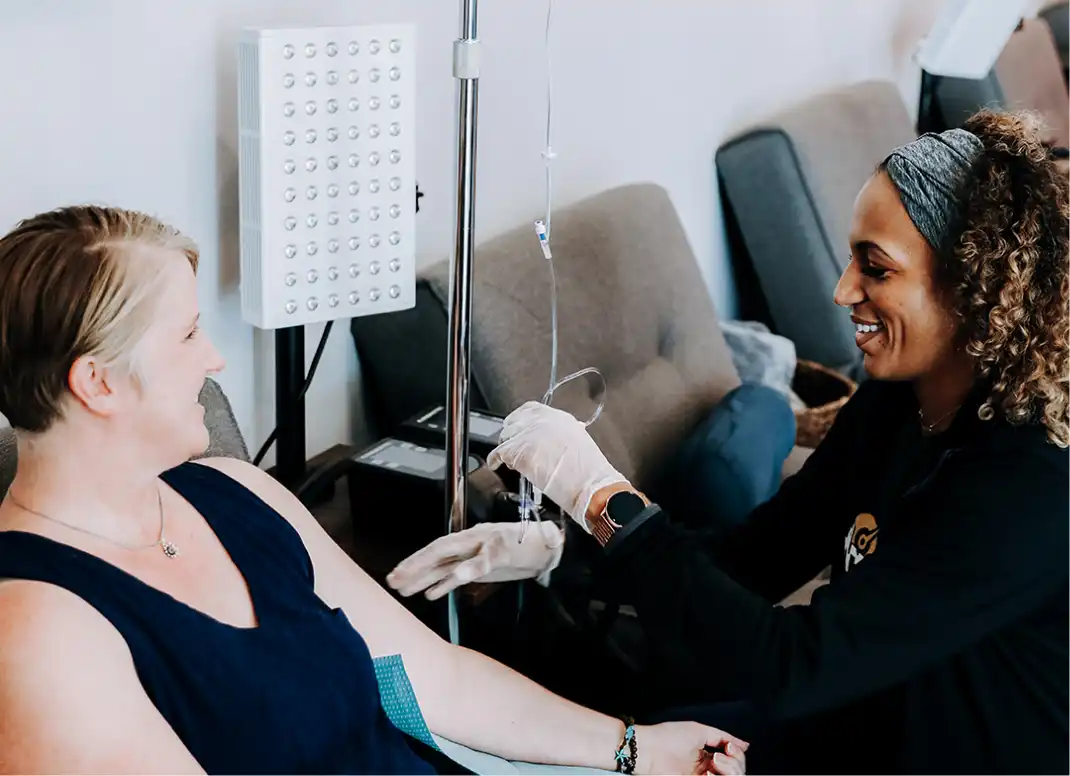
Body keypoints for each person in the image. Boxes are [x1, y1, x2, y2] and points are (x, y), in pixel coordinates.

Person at [388, 109, 1069, 774]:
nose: (842, 290)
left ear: (972, 288)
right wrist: (560, 549)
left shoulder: (1027, 482)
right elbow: (753, 557)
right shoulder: (897, 403)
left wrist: (599, 495)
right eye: (849, 257)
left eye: (876, 267)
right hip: (867, 716)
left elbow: (789, 665)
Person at [0, 206, 751, 776]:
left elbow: (438, 679)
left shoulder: (233, 492)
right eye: (190, 335)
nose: (217, 360)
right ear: (96, 383)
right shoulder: (36, 631)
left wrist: (636, 749)